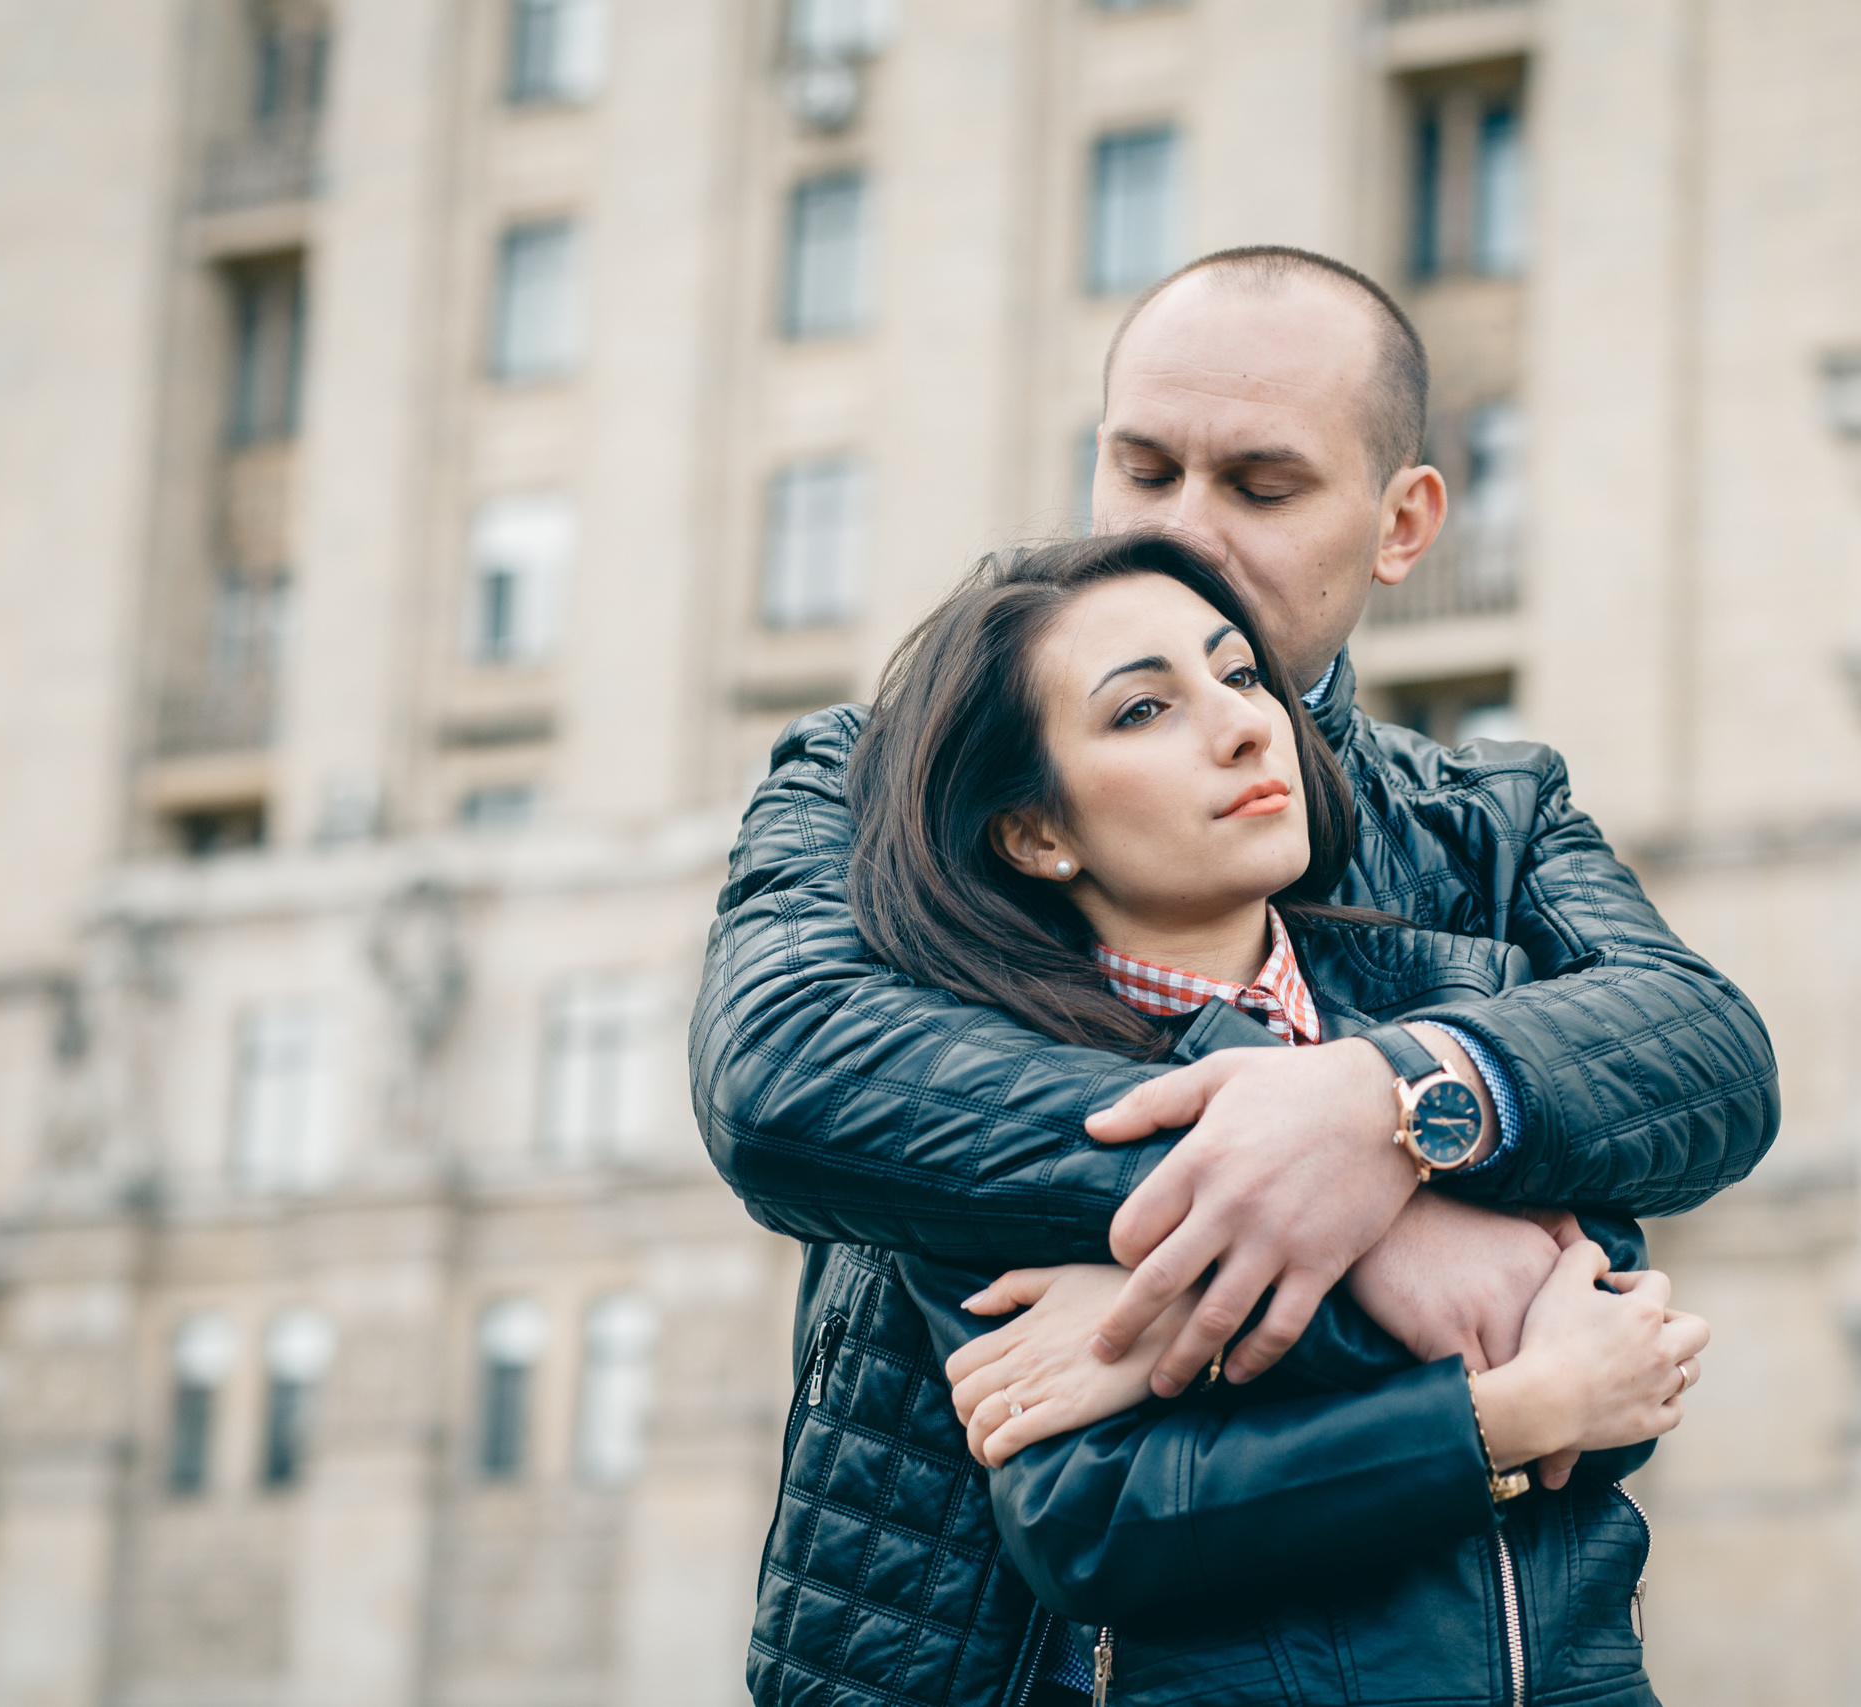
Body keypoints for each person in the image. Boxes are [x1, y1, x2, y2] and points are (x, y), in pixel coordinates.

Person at [693, 245, 1775, 1388]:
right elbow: (781, 1071)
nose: (1183, 534)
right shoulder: (879, 774)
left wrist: (1390, 1101)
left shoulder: (1493, 815)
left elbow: (1707, 1055)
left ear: (1401, 526)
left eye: (1262, 488)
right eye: (1143, 471)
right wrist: (1360, 1209)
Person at [753, 532, 1709, 1705]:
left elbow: (1622, 1377)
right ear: (1036, 832)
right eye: (1144, 710)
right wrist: (1502, 1416)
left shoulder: (1457, 999)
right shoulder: (1015, 1098)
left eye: (1238, 674)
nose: (1245, 725)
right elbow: (1094, 1525)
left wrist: (1178, 1319)